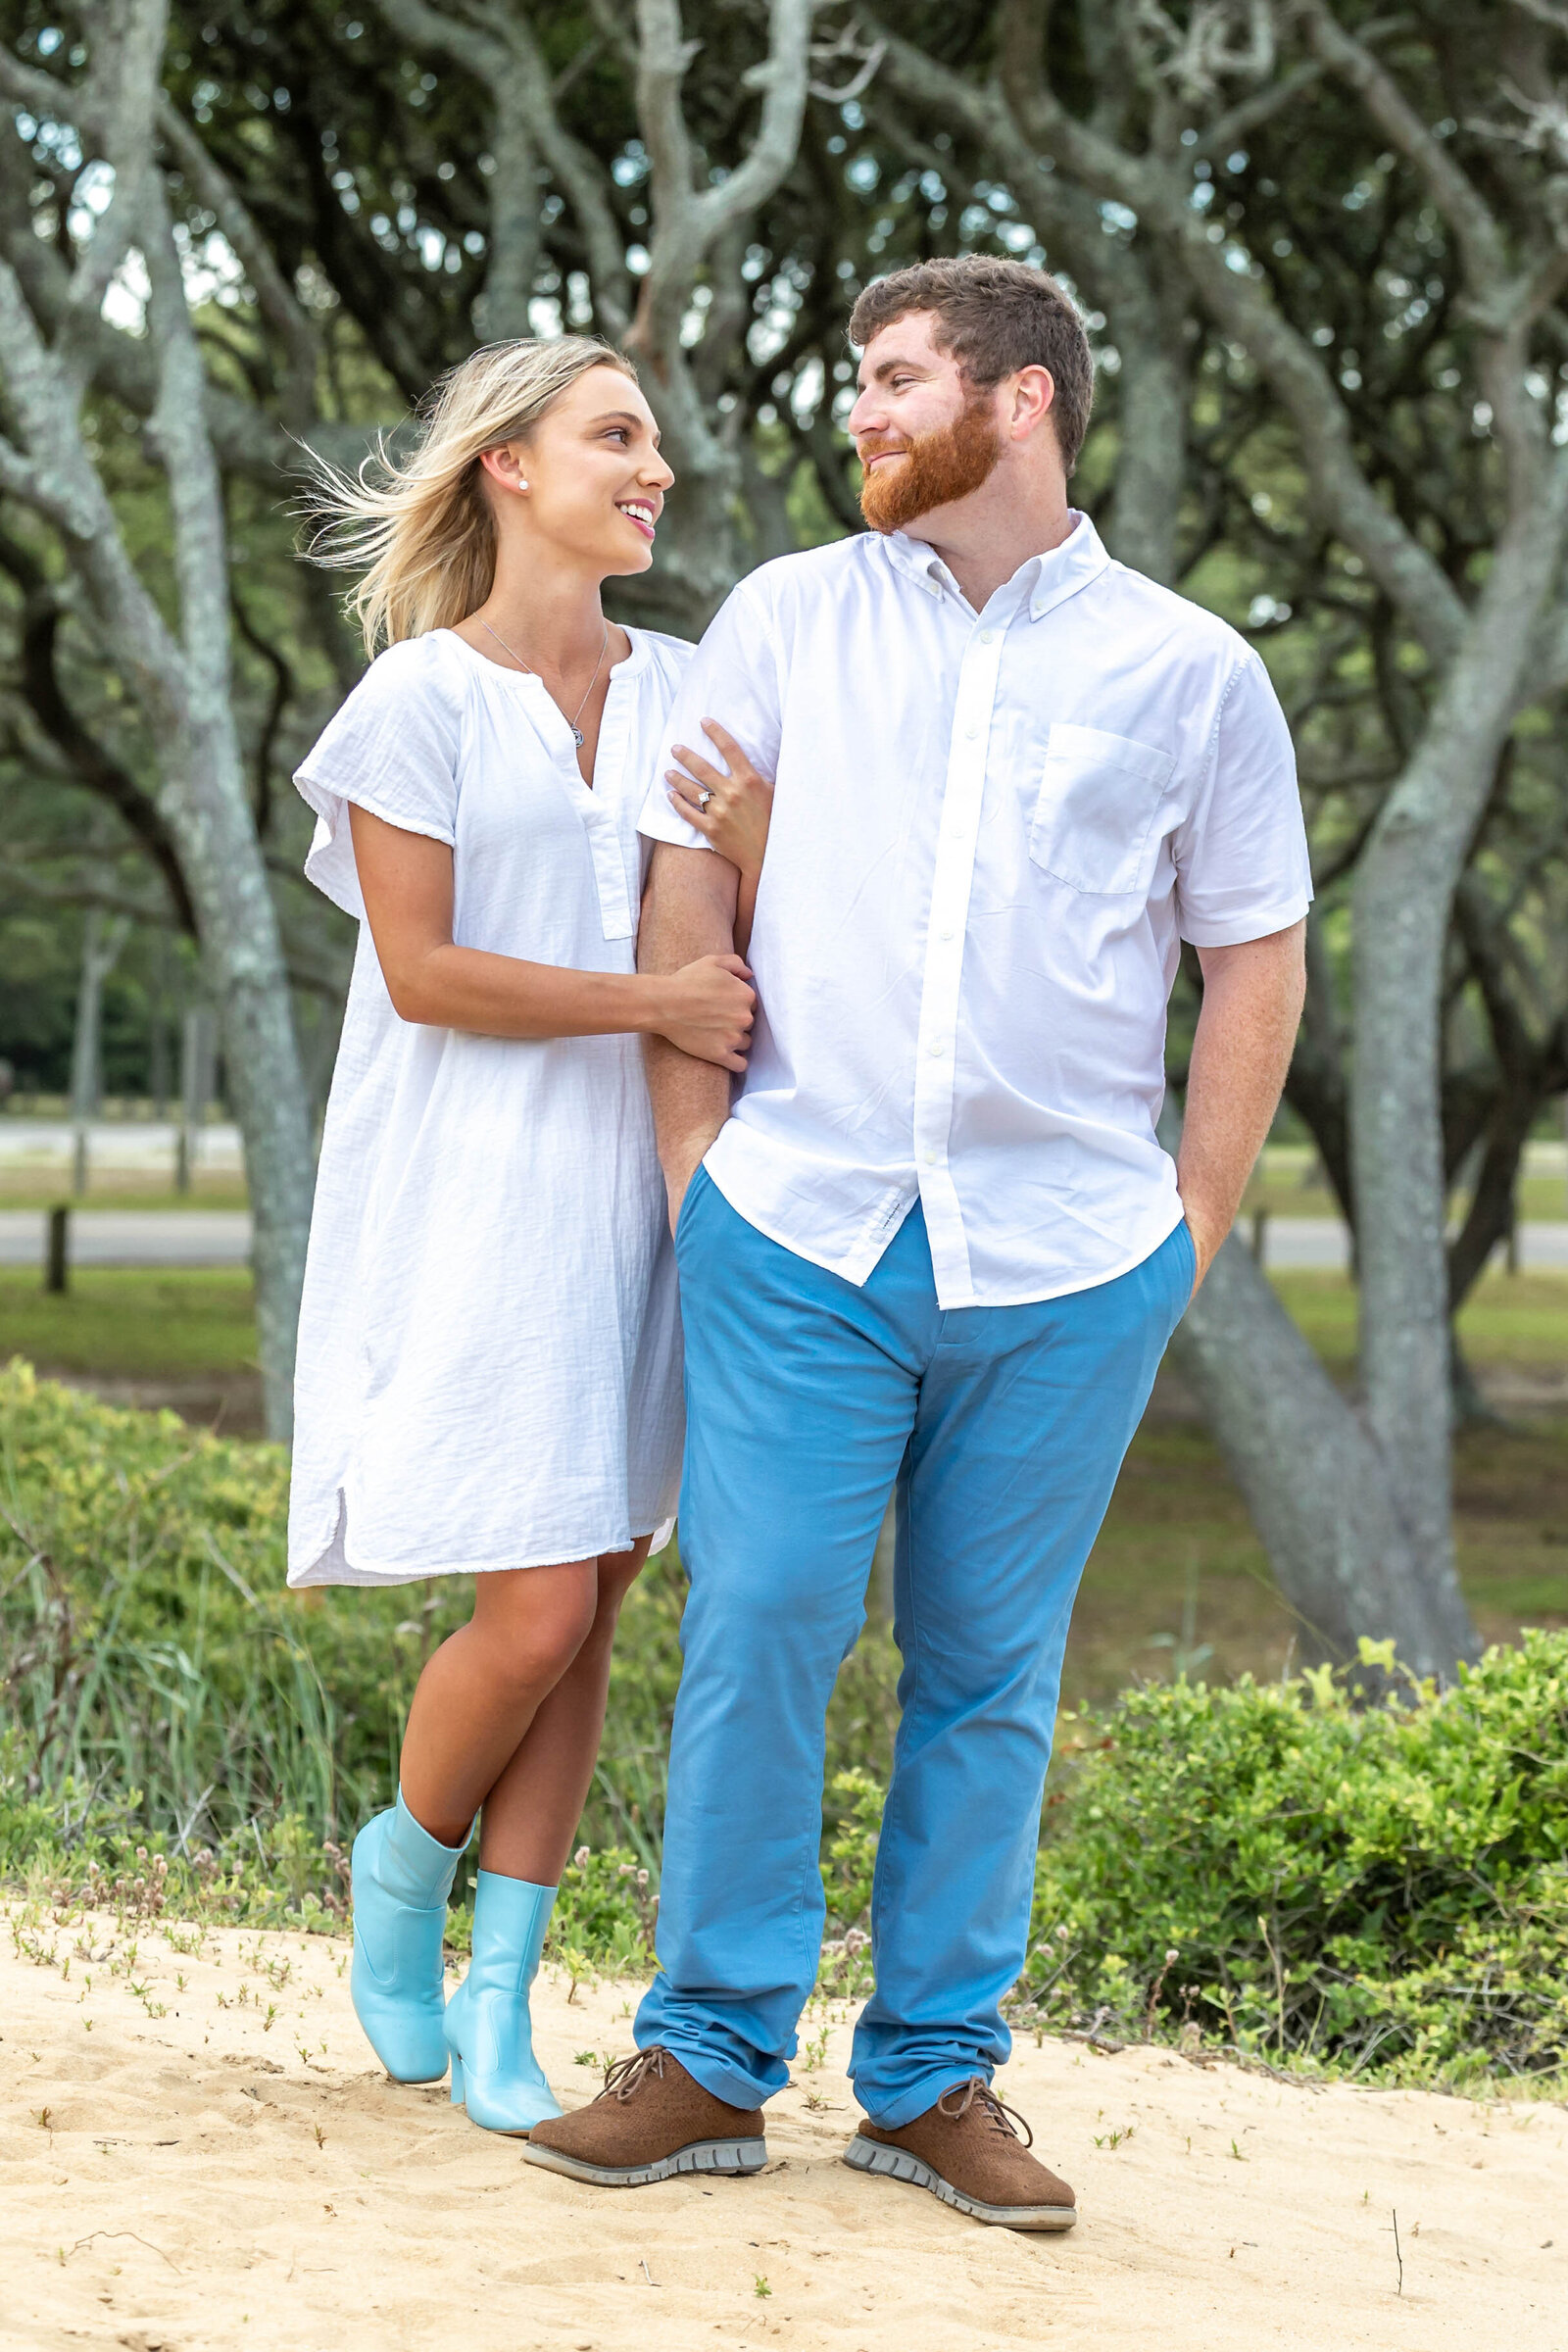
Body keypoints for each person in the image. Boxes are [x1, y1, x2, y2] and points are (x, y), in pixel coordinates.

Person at [524, 258, 1311, 2227]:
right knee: (765, 1622)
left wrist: (1186, 1227)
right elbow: (686, 879)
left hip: (1063, 1262)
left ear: (1021, 398)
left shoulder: (1188, 669)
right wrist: (695, 1160)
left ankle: (934, 2083)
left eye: (892, 380)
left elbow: (1251, 958)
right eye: (860, 382)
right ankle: (704, 2054)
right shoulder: (786, 617)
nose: (859, 413)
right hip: (797, 1229)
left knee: (987, 1673)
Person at [287, 336, 757, 2136]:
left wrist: (752, 847)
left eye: (655, 441)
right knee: (533, 1603)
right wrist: (652, 1003)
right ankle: (403, 1865)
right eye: (614, 436)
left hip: (650, 1195)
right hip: (470, 1192)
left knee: (598, 1604)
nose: (652, 468)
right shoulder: (416, 700)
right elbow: (425, 973)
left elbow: (763, 884)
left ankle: (504, 1996)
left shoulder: (691, 685)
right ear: (506, 465)